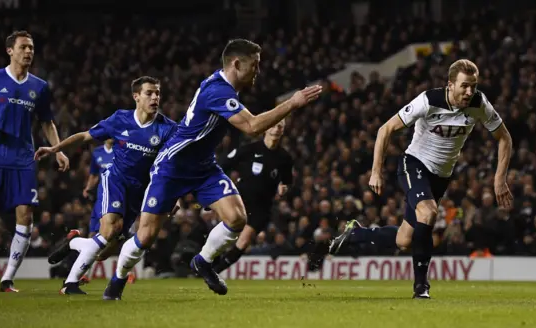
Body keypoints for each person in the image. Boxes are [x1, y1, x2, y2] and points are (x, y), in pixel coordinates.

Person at [102, 38, 322, 300]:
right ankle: (116, 281)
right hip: (173, 165)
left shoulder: (226, 88)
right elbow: (251, 127)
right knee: (146, 235)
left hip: (204, 167)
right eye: (255, 65)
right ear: (237, 64)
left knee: (237, 218)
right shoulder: (217, 91)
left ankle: (203, 261)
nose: (258, 71)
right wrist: (292, 103)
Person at [328, 59, 514, 299]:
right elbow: (385, 129)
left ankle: (355, 234)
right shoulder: (428, 101)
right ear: (450, 85)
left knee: (405, 239)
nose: (469, 91)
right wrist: (376, 171)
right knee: (428, 213)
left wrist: (499, 179)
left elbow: (504, 138)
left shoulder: (479, 104)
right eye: (464, 86)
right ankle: (421, 287)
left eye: (473, 86)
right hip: (414, 164)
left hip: (441, 177)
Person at [35, 76, 177, 295]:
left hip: (141, 191)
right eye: (149, 93)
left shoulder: (168, 129)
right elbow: (84, 136)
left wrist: (171, 197)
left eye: (158, 93)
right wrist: (55, 149)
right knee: (112, 228)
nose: (155, 97)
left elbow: (175, 167)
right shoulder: (120, 119)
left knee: (103, 251)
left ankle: (75, 242)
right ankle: (70, 284)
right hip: (116, 180)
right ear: (136, 96)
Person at [0, 31, 70, 292]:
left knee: (25, 215)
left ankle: (7, 278)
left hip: (23, 158)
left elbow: (46, 121)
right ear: (9, 50)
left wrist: (58, 149)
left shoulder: (39, 86)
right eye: (23, 47)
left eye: (31, 48)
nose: (28, 52)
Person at [212, 119, 293, 273]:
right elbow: (223, 164)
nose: (276, 129)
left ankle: (216, 271)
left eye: (280, 127)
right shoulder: (249, 149)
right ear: (266, 128)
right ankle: (207, 261)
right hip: (240, 200)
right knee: (227, 235)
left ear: (283, 131)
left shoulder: (285, 157)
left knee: (244, 241)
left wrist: (283, 188)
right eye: (274, 125)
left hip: (263, 206)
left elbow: (287, 181)